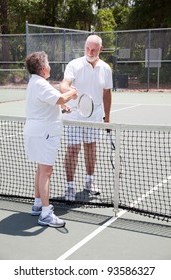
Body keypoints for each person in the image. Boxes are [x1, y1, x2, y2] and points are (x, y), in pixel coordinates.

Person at [24, 51, 78, 227]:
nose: (50, 66)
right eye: (47, 63)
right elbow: (61, 98)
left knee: (41, 169)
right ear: (42, 68)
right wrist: (72, 92)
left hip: (38, 130)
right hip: (44, 133)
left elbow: (47, 105)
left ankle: (38, 204)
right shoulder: (41, 84)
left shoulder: (35, 82)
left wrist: (62, 109)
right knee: (46, 171)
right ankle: (46, 214)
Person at [60, 34, 113, 201]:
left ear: (100, 50)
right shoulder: (74, 64)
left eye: (94, 49)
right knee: (73, 149)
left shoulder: (105, 68)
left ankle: (89, 181)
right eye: (87, 49)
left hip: (95, 114)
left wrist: (107, 117)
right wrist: (67, 91)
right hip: (75, 113)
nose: (90, 52)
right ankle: (70, 187)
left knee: (91, 147)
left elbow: (107, 93)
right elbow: (64, 84)